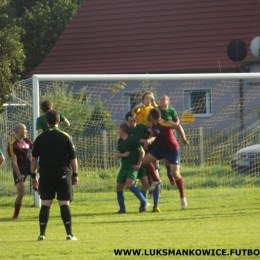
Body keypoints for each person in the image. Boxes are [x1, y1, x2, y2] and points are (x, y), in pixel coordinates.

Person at [30, 110, 78, 241]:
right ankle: (69, 234)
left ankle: (42, 235)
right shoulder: (65, 136)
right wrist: (75, 174)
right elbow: (73, 158)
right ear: (58, 121)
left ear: (46, 122)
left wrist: (33, 176)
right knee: (64, 203)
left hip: (45, 174)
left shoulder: (40, 138)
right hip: (62, 173)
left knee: (46, 204)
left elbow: (34, 160)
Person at [143, 108, 189, 209]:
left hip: (172, 150)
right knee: (145, 161)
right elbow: (154, 135)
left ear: (151, 116)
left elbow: (177, 125)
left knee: (175, 174)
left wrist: (184, 139)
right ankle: (155, 180)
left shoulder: (162, 123)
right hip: (161, 149)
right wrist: (148, 141)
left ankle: (183, 198)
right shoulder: (154, 125)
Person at [125, 111, 161, 213]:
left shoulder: (141, 127)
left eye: (134, 120)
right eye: (130, 121)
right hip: (135, 160)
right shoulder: (126, 131)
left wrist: (148, 141)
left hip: (147, 157)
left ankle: (156, 206)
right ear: (127, 122)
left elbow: (153, 134)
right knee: (144, 183)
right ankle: (143, 205)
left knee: (156, 180)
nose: (133, 123)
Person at [116, 123, 150, 213]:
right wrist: (123, 155)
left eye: (119, 129)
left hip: (132, 167)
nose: (118, 131)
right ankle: (122, 209)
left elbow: (142, 152)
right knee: (119, 187)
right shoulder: (120, 141)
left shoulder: (133, 140)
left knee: (129, 184)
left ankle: (144, 202)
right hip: (124, 167)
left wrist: (138, 164)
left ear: (122, 130)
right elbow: (118, 154)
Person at [147, 94, 179, 185]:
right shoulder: (156, 111)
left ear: (168, 101)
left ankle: (169, 174)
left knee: (166, 158)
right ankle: (156, 179)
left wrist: (172, 129)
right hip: (156, 137)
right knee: (154, 159)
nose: (161, 101)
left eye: (163, 99)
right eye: (160, 99)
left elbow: (176, 121)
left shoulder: (171, 110)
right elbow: (149, 124)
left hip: (167, 138)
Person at [7, 124, 33, 219]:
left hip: (28, 165)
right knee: (21, 193)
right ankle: (15, 214)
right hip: (19, 169)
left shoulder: (26, 140)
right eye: (24, 129)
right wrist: (19, 175)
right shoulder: (12, 144)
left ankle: (37, 184)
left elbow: (34, 147)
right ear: (19, 131)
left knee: (39, 166)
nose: (26, 131)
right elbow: (14, 162)